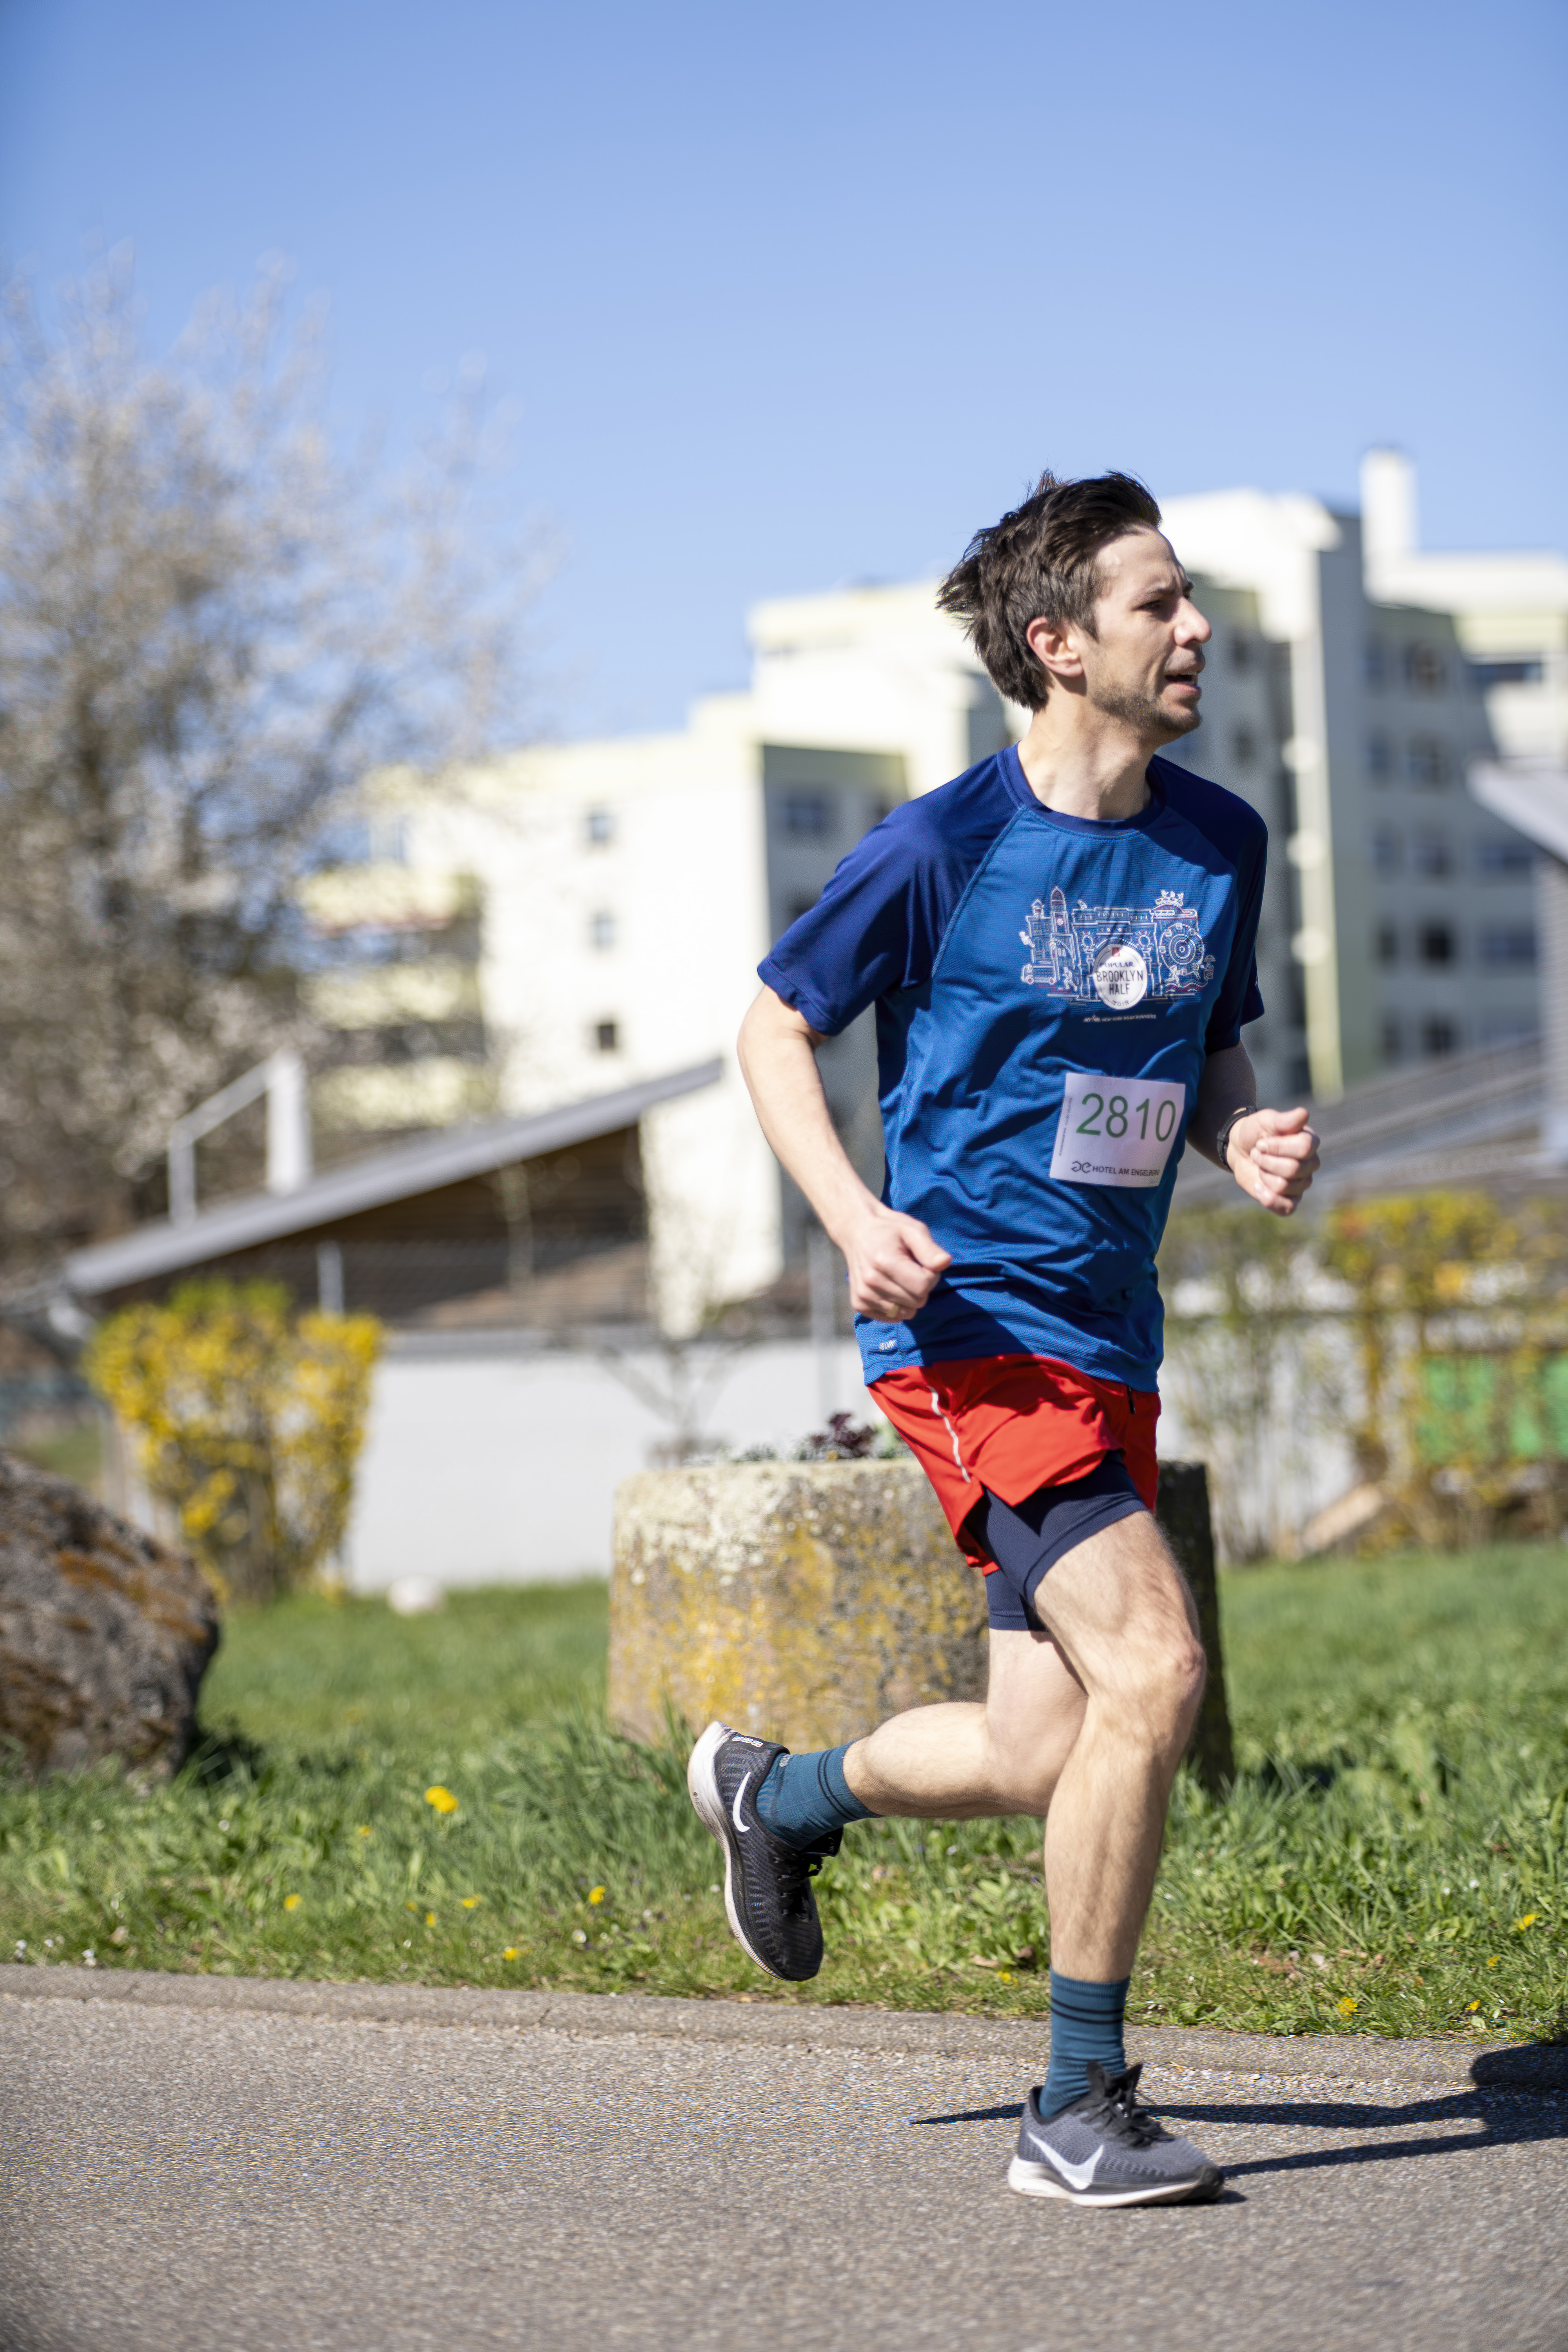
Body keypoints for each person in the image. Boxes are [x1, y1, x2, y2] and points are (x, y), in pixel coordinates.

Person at [686, 471, 1319, 2209]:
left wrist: (1241, 1135)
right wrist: (850, 1217)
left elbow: (1205, 1047)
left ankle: (776, 1795)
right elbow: (771, 1030)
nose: (1195, 629)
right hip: (972, 1334)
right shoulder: (937, 850)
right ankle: (1076, 2105)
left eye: (1190, 598)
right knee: (1158, 1673)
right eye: (1157, 603)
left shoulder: (1220, 842)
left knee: (1045, 1748)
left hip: (1110, 1333)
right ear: (1056, 644)